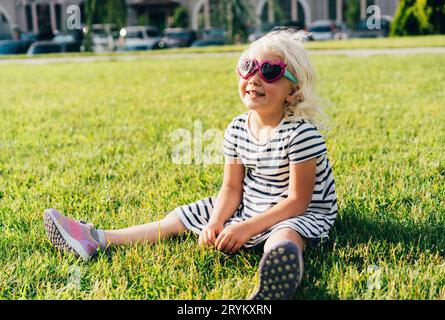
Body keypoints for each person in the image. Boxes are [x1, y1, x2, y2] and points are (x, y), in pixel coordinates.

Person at [44, 29, 337, 300]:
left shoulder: (301, 133)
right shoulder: (237, 128)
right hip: (253, 202)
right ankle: (97, 239)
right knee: (181, 217)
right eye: (248, 67)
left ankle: (278, 273)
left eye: (270, 71)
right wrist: (216, 221)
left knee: (285, 233)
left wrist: (247, 228)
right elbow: (231, 188)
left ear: (293, 90)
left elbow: (298, 201)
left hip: (303, 210)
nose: (254, 78)